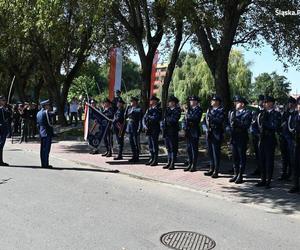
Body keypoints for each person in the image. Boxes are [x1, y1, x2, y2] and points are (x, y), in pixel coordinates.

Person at [256, 96, 281, 188]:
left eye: (266, 102)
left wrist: (265, 123)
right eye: (264, 102)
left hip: (270, 139)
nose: (264, 104)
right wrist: (257, 133)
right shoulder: (262, 113)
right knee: (261, 160)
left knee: (269, 161)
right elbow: (255, 125)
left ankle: (268, 181)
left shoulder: (276, 114)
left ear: (271, 103)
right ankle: (262, 179)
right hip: (261, 139)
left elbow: (275, 126)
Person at [227, 96, 252, 183]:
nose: (235, 104)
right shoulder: (232, 112)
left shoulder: (247, 112)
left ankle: (240, 175)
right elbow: (228, 123)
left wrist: (236, 122)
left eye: (237, 102)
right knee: (235, 156)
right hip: (234, 137)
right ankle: (235, 173)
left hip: (242, 137)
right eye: (235, 102)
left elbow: (246, 125)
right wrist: (228, 129)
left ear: (242, 104)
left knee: (241, 156)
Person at [203, 95, 225, 178]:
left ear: (218, 102)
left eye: (213, 100)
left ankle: (216, 170)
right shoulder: (209, 110)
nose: (211, 101)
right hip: (209, 133)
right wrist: (205, 128)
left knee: (216, 152)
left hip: (216, 133)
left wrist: (211, 116)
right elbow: (204, 121)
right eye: (212, 100)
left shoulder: (221, 110)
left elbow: (219, 120)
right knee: (210, 152)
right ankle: (211, 168)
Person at [278, 96, 297, 181]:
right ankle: (284, 173)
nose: (290, 104)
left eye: (291, 103)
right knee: (284, 157)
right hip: (283, 137)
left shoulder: (295, 114)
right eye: (289, 103)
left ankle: (291, 174)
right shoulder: (285, 113)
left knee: (291, 157)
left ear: (294, 104)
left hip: (291, 138)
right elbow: (280, 124)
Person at [183, 95, 203, 172]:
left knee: (194, 148)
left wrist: (187, 114)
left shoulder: (199, 109)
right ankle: (190, 163)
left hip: (194, 130)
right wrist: (184, 127)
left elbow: (195, 118)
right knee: (188, 148)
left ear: (196, 102)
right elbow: (185, 120)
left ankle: (194, 165)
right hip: (188, 130)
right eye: (190, 100)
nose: (190, 102)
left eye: (192, 100)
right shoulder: (190, 110)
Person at [162, 96, 181, 170]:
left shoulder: (177, 110)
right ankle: (168, 161)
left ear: (174, 103)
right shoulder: (167, 110)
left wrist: (167, 119)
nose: (169, 103)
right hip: (166, 130)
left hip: (173, 131)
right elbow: (164, 119)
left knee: (173, 147)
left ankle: (172, 163)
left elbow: (174, 120)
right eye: (169, 102)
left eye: (171, 102)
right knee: (168, 147)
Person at [143, 96, 162, 166]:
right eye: (151, 100)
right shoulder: (149, 109)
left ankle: (155, 159)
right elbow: (144, 118)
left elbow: (156, 118)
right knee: (150, 144)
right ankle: (151, 158)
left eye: (152, 100)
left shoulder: (158, 109)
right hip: (149, 128)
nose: (151, 101)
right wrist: (145, 125)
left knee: (154, 144)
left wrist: (149, 117)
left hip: (155, 128)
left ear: (155, 101)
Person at [36, 100, 55, 168]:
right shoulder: (46, 112)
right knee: (46, 149)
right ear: (45, 106)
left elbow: (37, 124)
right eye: (48, 105)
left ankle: (43, 163)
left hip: (41, 133)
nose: (49, 106)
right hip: (47, 132)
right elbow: (54, 113)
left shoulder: (38, 113)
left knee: (42, 149)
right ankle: (45, 164)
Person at [250, 95, 265, 176]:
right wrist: (255, 133)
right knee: (257, 153)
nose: (261, 102)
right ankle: (259, 168)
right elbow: (253, 123)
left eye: (262, 101)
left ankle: (263, 169)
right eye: (260, 100)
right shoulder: (255, 111)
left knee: (263, 154)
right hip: (256, 136)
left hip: (263, 136)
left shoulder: (265, 111)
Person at [125, 97, 143, 163]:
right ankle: (133, 155)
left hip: (135, 127)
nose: (131, 102)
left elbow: (140, 119)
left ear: (135, 102)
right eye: (131, 101)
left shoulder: (138, 109)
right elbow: (126, 116)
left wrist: (140, 128)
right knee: (131, 142)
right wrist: (127, 108)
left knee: (136, 143)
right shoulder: (129, 108)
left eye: (132, 101)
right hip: (129, 127)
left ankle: (137, 157)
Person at [288, 97, 300, 193]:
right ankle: (295, 185)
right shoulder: (294, 115)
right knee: (295, 164)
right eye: (299, 104)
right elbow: (290, 128)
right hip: (296, 143)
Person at [0, 96, 11, 166]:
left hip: (2, 129)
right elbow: (6, 117)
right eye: (3, 100)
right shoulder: (1, 109)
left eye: (5, 100)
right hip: (2, 129)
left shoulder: (3, 109)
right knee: (1, 145)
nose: (4, 101)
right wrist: (8, 110)